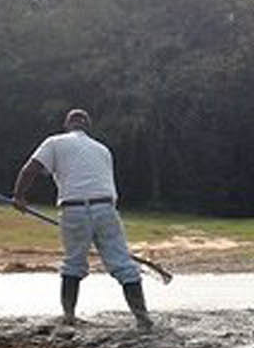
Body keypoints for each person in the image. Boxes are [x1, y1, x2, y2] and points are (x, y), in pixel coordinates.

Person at [11, 107, 151, 330]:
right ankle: (142, 317)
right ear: (88, 127)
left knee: (74, 263)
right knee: (124, 265)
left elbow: (30, 170)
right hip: (106, 209)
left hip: (74, 210)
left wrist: (19, 196)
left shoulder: (54, 142)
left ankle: (69, 317)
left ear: (67, 125)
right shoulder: (102, 149)